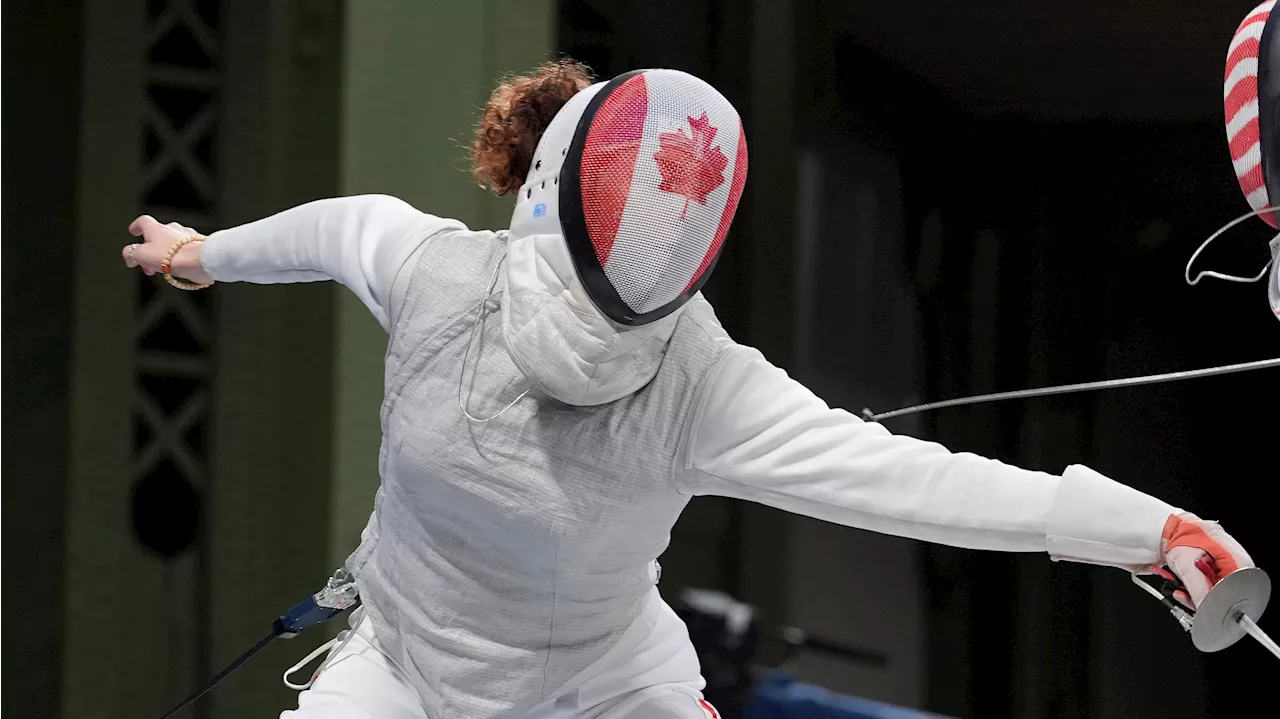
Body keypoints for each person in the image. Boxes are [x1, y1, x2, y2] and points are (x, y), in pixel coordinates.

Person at [121, 60, 1253, 719]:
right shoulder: (433, 275)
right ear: (545, 201)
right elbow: (333, 228)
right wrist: (195, 252)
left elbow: (914, 482)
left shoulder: (701, 383)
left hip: (608, 690)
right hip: (403, 669)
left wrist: (1143, 528)